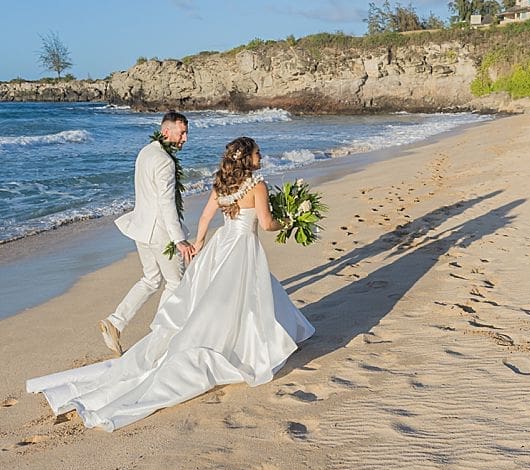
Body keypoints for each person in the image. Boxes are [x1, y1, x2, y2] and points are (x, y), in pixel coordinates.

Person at [27, 137, 315, 431]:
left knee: (228, 297)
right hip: (243, 248)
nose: (261, 157)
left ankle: (276, 331)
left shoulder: (222, 184)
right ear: (247, 159)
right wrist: (290, 221)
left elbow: (205, 217)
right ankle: (249, 345)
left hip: (222, 245)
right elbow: (266, 224)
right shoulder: (257, 186)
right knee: (247, 295)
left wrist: (200, 245)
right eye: (257, 153)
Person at [99, 111, 196, 356]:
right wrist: (179, 239)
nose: (185, 138)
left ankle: (115, 322)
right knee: (175, 282)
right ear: (166, 132)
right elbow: (166, 204)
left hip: (141, 228)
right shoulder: (164, 160)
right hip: (160, 232)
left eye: (186, 133)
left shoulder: (145, 152)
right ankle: (160, 335)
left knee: (151, 279)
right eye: (181, 132)